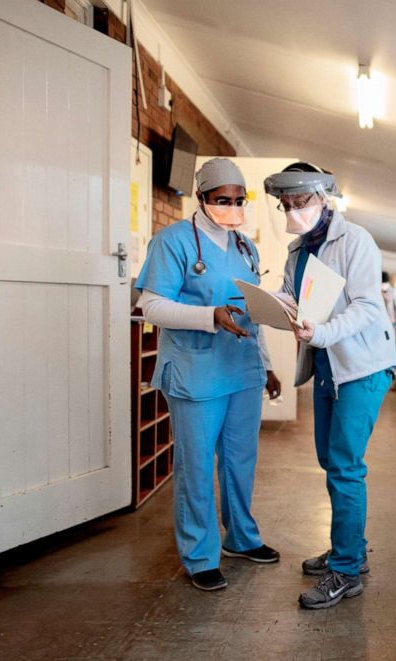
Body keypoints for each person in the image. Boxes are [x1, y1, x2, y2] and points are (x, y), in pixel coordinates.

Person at [134, 158, 281, 592]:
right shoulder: (173, 241)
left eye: (239, 200)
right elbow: (151, 306)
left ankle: (241, 539)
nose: (232, 207)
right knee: (196, 466)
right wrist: (208, 316)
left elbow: (252, 310)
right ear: (200, 198)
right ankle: (200, 555)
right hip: (196, 370)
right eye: (223, 200)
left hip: (243, 369)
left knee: (240, 462)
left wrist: (267, 364)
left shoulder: (245, 246)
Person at [264, 161, 396, 609]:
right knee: (329, 459)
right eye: (286, 204)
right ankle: (350, 549)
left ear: (324, 198)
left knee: (344, 465)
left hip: (361, 366)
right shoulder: (298, 251)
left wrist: (319, 333)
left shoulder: (355, 241)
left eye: (301, 201)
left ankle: (345, 571)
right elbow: (293, 296)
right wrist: (265, 301)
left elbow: (366, 308)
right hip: (326, 365)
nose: (293, 210)